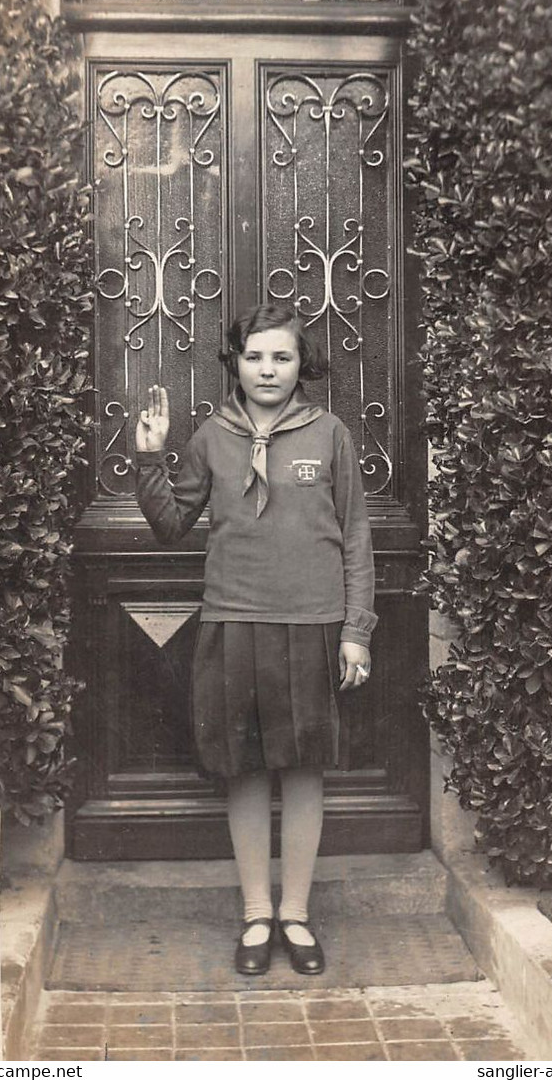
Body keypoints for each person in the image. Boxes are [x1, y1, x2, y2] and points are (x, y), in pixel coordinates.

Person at [134, 302, 377, 976]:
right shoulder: (213, 436)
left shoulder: (330, 434)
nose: (267, 369)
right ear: (235, 364)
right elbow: (169, 525)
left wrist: (355, 630)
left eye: (282, 356)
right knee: (241, 770)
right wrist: (150, 453)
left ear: (302, 366)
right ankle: (255, 915)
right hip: (232, 621)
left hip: (313, 624)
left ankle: (295, 914)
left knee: (301, 769)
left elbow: (355, 538)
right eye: (254, 356)